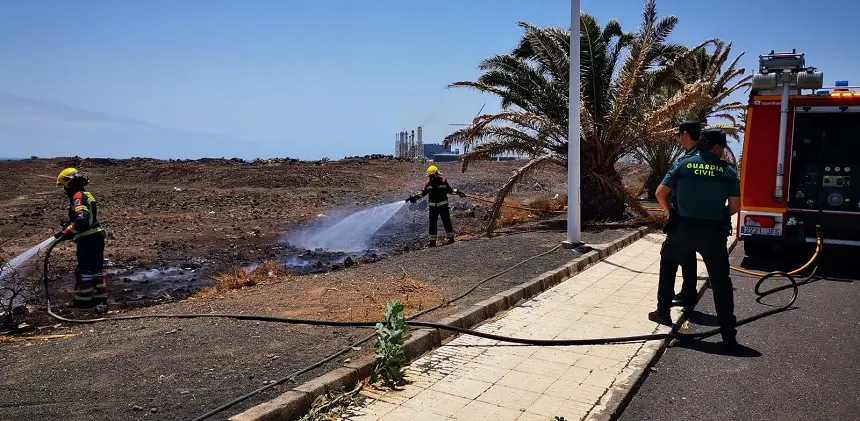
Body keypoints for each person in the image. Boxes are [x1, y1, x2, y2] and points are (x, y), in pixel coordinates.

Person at [650, 129, 741, 350]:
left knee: (669, 264)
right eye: (722, 148)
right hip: (712, 233)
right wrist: (719, 214)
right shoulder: (728, 172)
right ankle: (728, 333)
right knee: (720, 280)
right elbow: (736, 207)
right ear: (717, 148)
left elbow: (660, 193)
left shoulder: (683, 165)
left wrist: (672, 212)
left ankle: (663, 312)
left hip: (682, 228)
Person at [54, 168, 108, 310]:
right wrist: (68, 230)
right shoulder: (86, 193)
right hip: (96, 236)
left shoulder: (77, 196)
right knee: (96, 269)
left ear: (70, 183)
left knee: (84, 270)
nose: (65, 190)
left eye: (65, 186)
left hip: (88, 238)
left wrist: (67, 232)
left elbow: (82, 220)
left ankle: (83, 301)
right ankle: (100, 299)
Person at [662, 121, 702, 310]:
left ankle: (664, 307)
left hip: (682, 216)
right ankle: (688, 293)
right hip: (700, 218)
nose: (678, 138)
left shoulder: (684, 161)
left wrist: (670, 212)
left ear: (685, 134)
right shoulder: (705, 157)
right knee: (688, 256)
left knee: (671, 258)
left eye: (679, 134)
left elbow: (661, 192)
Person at [406, 165, 466, 247]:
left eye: (432, 176)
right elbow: (423, 193)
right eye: (430, 176)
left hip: (443, 206)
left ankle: (451, 238)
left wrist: (459, 192)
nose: (431, 178)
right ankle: (432, 241)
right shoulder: (428, 184)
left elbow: (450, 190)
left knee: (446, 221)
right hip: (433, 207)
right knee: (432, 223)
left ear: (437, 174)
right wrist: (415, 197)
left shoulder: (443, 181)